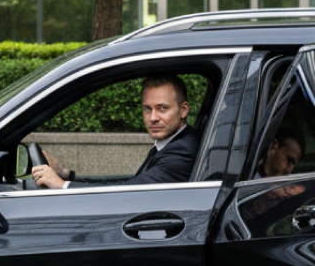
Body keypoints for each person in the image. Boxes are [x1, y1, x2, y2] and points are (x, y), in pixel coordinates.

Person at [32, 74, 200, 188]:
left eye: (163, 108)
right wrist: (66, 175)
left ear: (183, 110)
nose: (153, 117)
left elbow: (128, 193)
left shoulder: (182, 151)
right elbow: (130, 183)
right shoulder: (169, 143)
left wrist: (62, 185)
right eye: (147, 109)